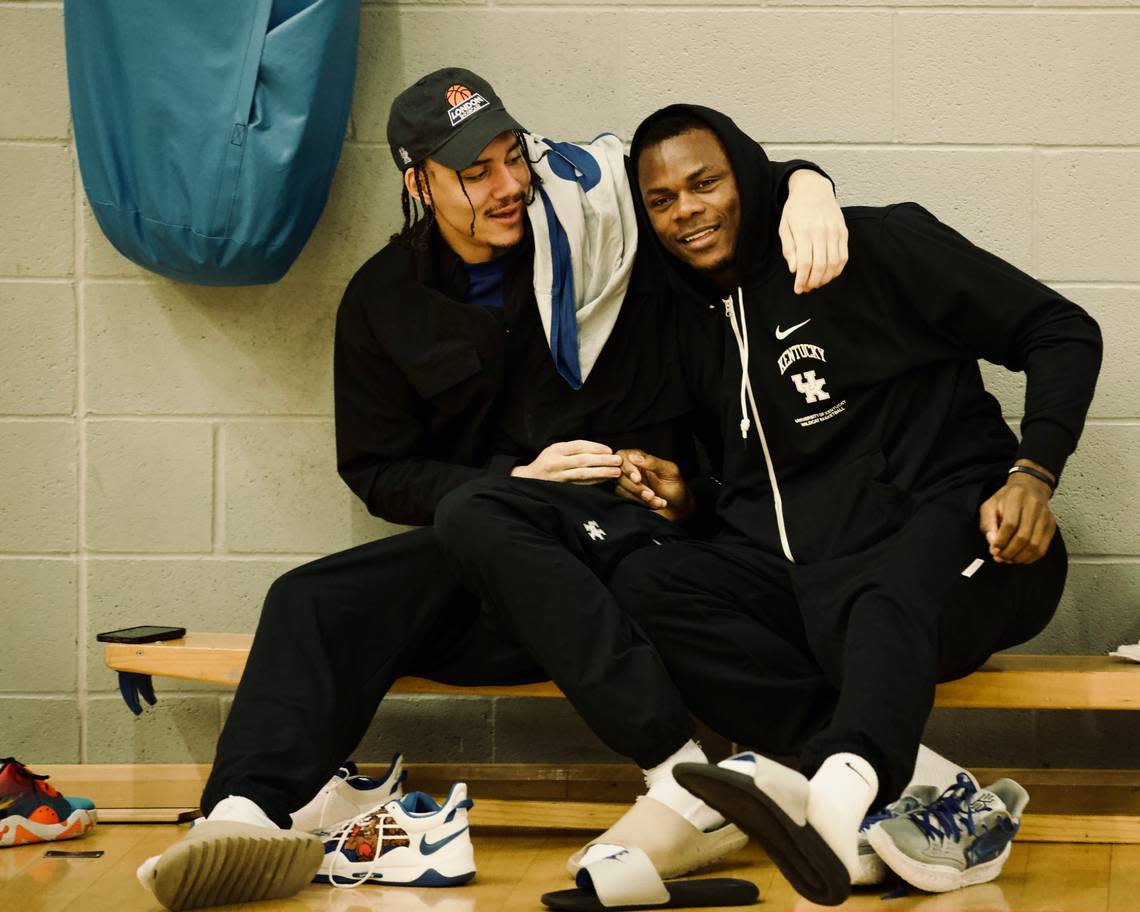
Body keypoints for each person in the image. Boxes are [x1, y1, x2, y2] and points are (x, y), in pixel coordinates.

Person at [134, 71, 848, 912]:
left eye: (514, 158)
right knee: (312, 597)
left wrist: (810, 188)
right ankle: (243, 814)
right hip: (489, 556)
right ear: (419, 183)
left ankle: (684, 777)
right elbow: (376, 469)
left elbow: (705, 189)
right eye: (477, 172)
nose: (510, 187)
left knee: (495, 522)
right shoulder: (382, 299)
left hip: (625, 549)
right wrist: (509, 484)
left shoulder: (596, 228)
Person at [600, 104, 1102, 905]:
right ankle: (897, 780)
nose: (686, 209)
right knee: (647, 582)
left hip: (976, 545)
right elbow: (745, 491)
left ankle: (836, 797)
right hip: (814, 587)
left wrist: (1033, 473)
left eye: (705, 183)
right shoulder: (686, 324)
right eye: (661, 200)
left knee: (886, 587)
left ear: (749, 176)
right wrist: (690, 500)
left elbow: (1061, 328)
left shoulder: (868, 247)